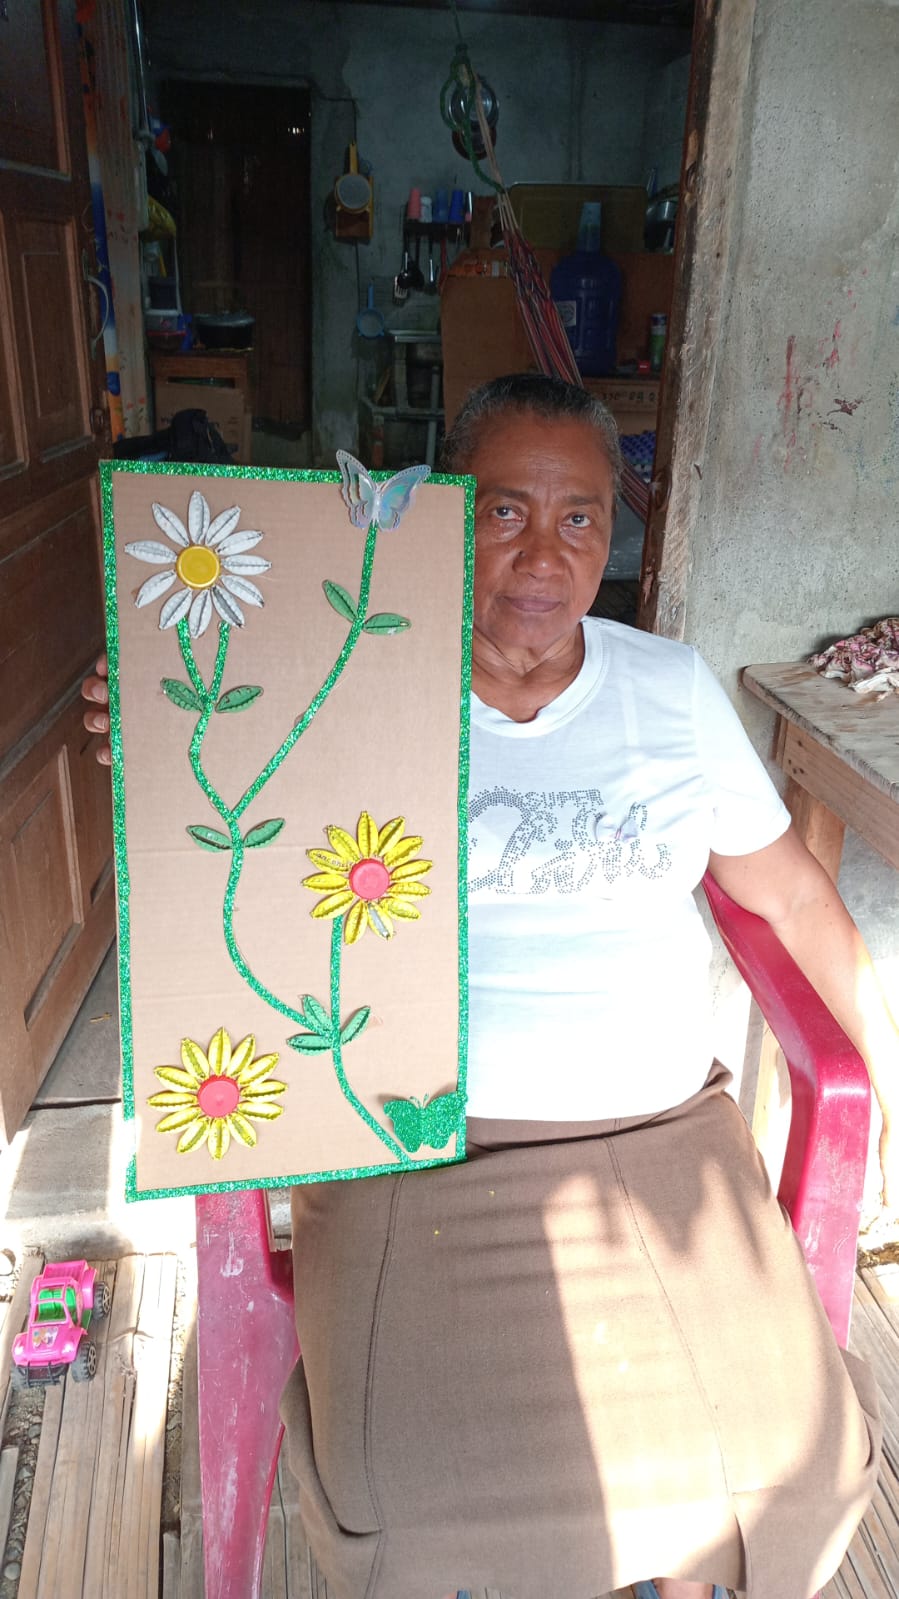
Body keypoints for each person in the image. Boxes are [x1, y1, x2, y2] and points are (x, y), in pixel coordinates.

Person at [83, 374, 895, 1599]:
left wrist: (884, 1071)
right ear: (444, 513)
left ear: (612, 533)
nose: (543, 554)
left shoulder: (668, 689)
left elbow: (787, 901)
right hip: (407, 1149)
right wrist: (153, 722)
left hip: (657, 1136)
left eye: (579, 518)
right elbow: (223, 834)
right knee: (409, 1499)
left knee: (786, 1463)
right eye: (505, 510)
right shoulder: (340, 672)